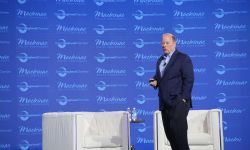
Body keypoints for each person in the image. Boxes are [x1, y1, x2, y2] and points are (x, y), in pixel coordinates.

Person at [149, 33, 194, 150]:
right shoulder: (160, 60)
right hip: (164, 104)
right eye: (162, 43)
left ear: (174, 43)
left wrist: (184, 99)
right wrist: (155, 81)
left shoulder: (183, 58)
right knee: (172, 139)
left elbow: (189, 79)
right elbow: (162, 78)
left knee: (180, 140)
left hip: (178, 103)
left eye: (167, 43)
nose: (164, 45)